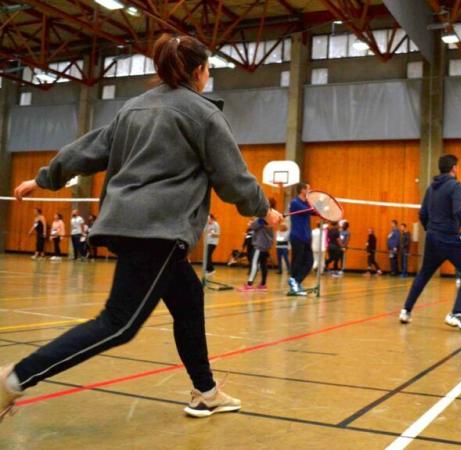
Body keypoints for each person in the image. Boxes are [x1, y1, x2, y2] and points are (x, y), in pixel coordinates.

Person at [1, 33, 282, 422]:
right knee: (118, 325)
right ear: (198, 71)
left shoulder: (133, 108)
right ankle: (14, 379)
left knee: (188, 299)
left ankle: (205, 391)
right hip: (159, 230)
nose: (208, 76)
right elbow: (232, 178)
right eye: (208, 70)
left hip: (125, 224)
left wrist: (45, 178)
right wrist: (265, 209)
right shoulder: (203, 114)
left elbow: (89, 148)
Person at [399, 154, 461, 332]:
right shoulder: (457, 186)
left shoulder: (431, 188)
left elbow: (422, 214)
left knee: (424, 275)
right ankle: (456, 313)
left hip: (433, 238)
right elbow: (458, 210)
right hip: (450, 238)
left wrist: (432, 230)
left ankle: (405, 311)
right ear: (454, 168)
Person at [288, 182, 315, 296]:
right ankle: (294, 284)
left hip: (306, 237)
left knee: (309, 262)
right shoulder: (295, 203)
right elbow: (311, 211)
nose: (310, 190)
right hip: (297, 236)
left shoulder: (306, 203)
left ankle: (296, 281)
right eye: (308, 189)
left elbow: (314, 212)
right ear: (302, 190)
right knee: (297, 262)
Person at [241, 217, 274, 292]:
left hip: (259, 245)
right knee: (263, 264)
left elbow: (252, 226)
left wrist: (252, 222)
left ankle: (249, 284)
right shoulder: (270, 220)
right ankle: (263, 284)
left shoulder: (261, 219)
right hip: (266, 245)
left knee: (254, 263)